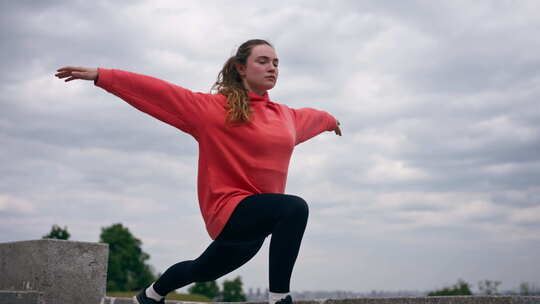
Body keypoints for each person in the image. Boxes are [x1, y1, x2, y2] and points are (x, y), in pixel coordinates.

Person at [55, 39, 342, 304]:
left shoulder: (287, 117)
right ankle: (280, 297)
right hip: (228, 208)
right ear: (241, 68)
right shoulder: (212, 110)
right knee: (294, 208)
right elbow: (159, 92)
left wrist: (331, 121)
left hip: (259, 221)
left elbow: (316, 117)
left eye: (276, 63)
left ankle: (150, 295)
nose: (272, 68)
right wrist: (102, 76)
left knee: (202, 270)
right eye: (263, 61)